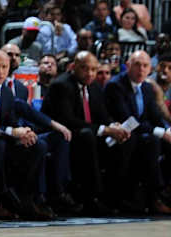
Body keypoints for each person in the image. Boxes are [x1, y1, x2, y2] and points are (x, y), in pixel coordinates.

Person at [0, 50, 59, 220]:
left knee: (38, 145)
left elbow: (11, 121)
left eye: (4, 67)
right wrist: (12, 131)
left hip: (3, 139)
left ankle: (26, 197)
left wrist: (24, 132)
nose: (0, 72)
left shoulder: (7, 92)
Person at [42, 52, 126, 214]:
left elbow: (102, 114)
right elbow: (67, 120)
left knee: (123, 139)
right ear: (73, 67)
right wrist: (104, 130)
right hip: (62, 134)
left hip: (87, 132)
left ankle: (117, 196)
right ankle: (91, 198)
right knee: (87, 136)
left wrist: (113, 126)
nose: (90, 74)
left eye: (94, 69)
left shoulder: (94, 86)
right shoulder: (61, 85)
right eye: (85, 69)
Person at [104, 51, 171, 213]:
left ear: (150, 69)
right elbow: (128, 119)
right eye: (137, 65)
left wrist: (167, 130)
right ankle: (154, 196)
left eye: (145, 66)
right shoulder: (116, 85)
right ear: (127, 65)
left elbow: (155, 116)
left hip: (142, 133)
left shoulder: (147, 87)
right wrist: (160, 132)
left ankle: (166, 192)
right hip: (120, 133)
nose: (141, 69)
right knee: (152, 141)